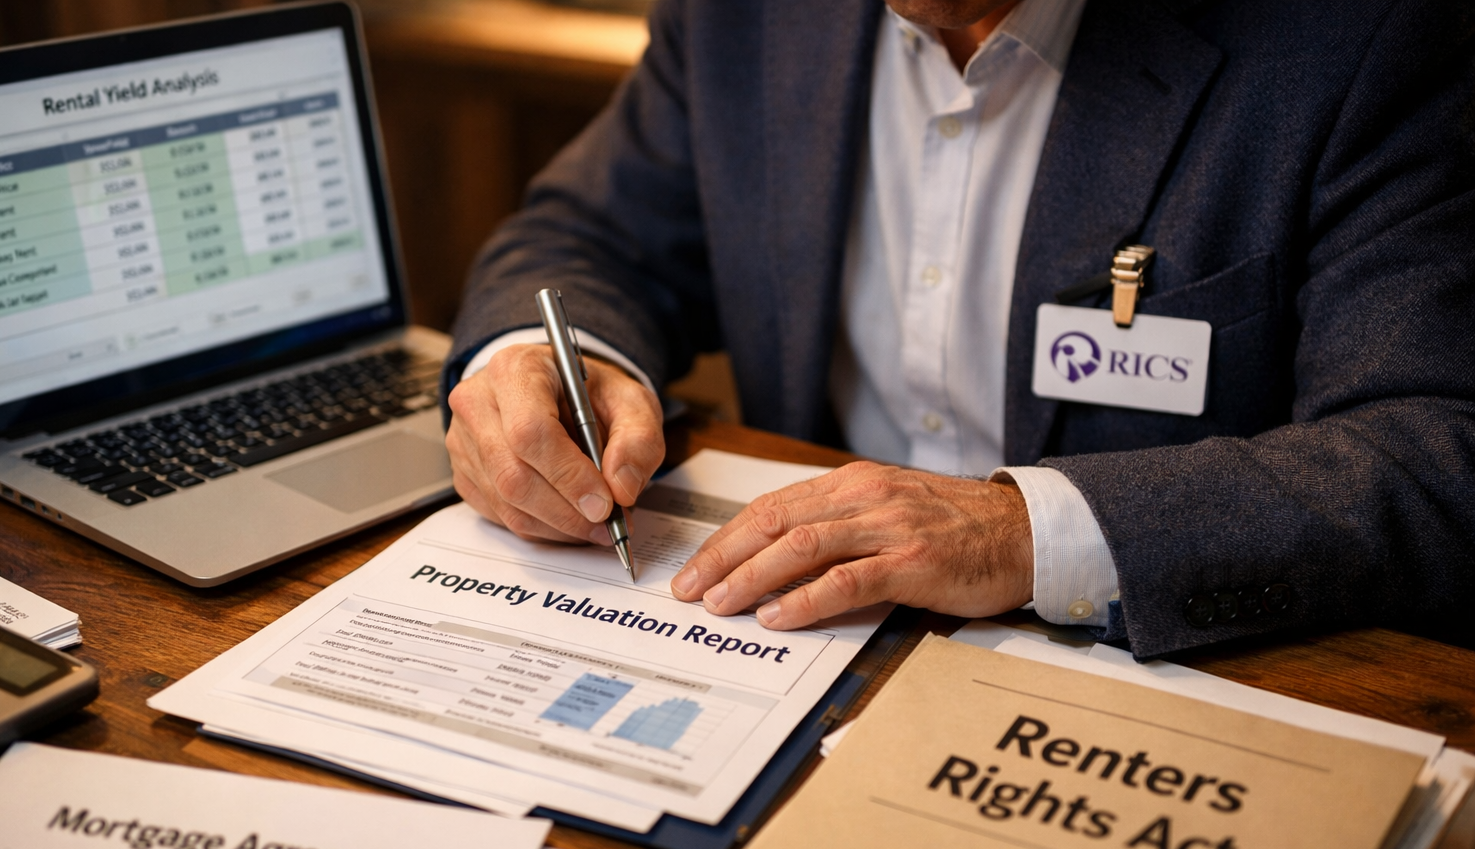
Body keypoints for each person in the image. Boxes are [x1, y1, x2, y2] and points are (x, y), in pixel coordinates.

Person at [441, 0, 1475, 659]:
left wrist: (1024, 534)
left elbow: (1433, 447)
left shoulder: (1362, 39)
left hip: (1148, 672)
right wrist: (539, 362)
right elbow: (590, 237)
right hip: (782, 641)